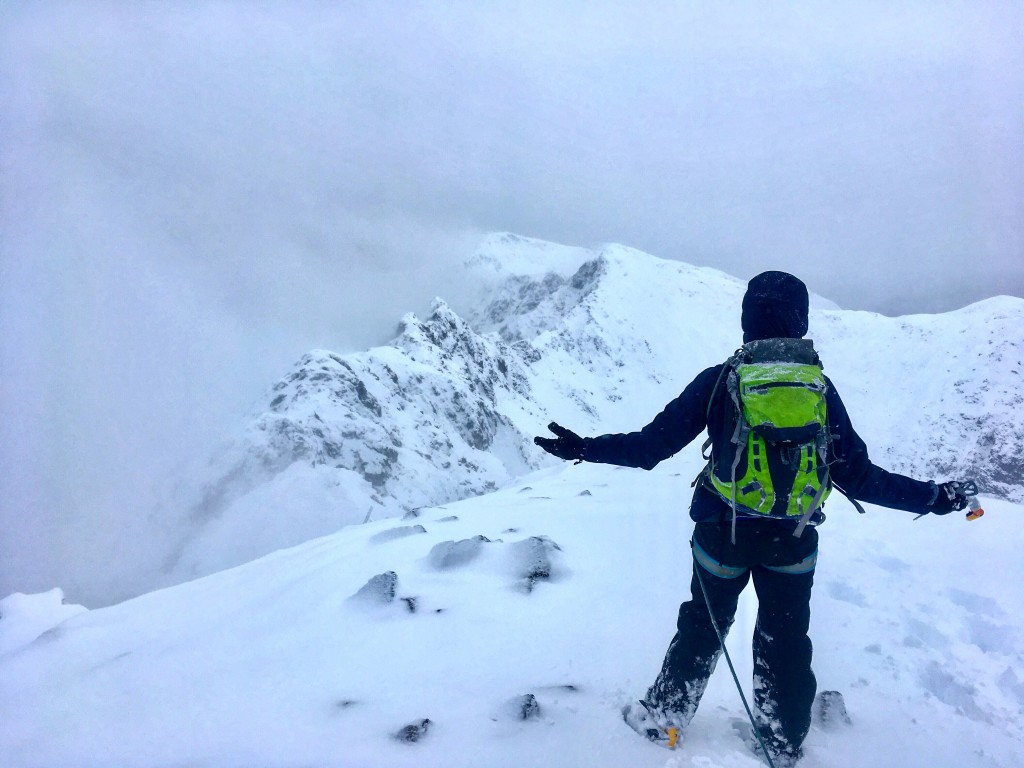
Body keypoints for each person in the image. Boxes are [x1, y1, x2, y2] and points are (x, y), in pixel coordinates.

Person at [533, 271, 970, 766]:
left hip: (722, 534)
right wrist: (937, 498)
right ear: (800, 321)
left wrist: (585, 449)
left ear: (747, 320)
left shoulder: (721, 380)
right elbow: (862, 478)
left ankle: (665, 721)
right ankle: (782, 742)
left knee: (703, 623)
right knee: (785, 636)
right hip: (795, 540)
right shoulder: (820, 391)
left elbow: (650, 446)